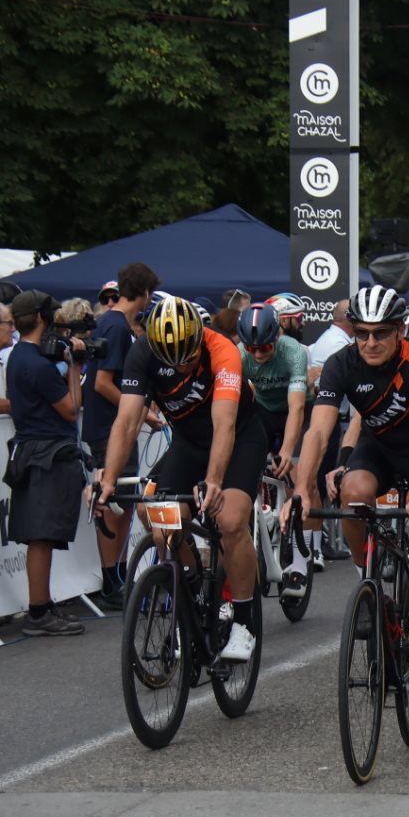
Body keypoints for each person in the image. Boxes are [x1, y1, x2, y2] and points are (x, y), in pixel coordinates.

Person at [293, 286, 409, 737]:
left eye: (381, 333)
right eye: (361, 333)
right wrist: (303, 487)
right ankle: (370, 583)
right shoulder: (342, 364)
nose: (370, 342)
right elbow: (318, 431)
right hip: (381, 450)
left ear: (400, 330)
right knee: (353, 489)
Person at [93, 294, 264, 661]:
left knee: (230, 520)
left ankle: (245, 621)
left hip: (239, 439)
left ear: (198, 340)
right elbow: (125, 422)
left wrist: (215, 480)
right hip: (189, 443)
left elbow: (225, 424)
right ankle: (192, 588)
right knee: (156, 518)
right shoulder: (141, 353)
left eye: (187, 359)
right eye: (173, 361)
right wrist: (108, 479)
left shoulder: (223, 351)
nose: (182, 367)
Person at [3, 292, 88, 637]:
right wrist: (76, 367)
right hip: (47, 451)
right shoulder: (37, 363)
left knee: (44, 533)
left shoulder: (19, 355)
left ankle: (42, 603)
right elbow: (71, 408)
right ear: (41, 318)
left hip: (33, 447)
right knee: (41, 534)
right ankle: (38, 610)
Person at [81, 263, 158, 608]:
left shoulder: (116, 324)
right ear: (143, 293)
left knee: (124, 501)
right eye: (150, 294)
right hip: (108, 427)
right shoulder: (115, 326)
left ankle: (119, 572)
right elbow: (102, 383)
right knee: (113, 499)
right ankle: (111, 578)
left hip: (116, 425)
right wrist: (141, 411)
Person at [237, 302, 311, 583]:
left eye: (264, 348)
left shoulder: (293, 352)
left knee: (299, 471)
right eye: (251, 348)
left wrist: (287, 451)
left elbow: (296, 409)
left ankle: (303, 557)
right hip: (264, 411)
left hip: (297, 408)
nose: (257, 354)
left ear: (277, 337)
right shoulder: (238, 355)